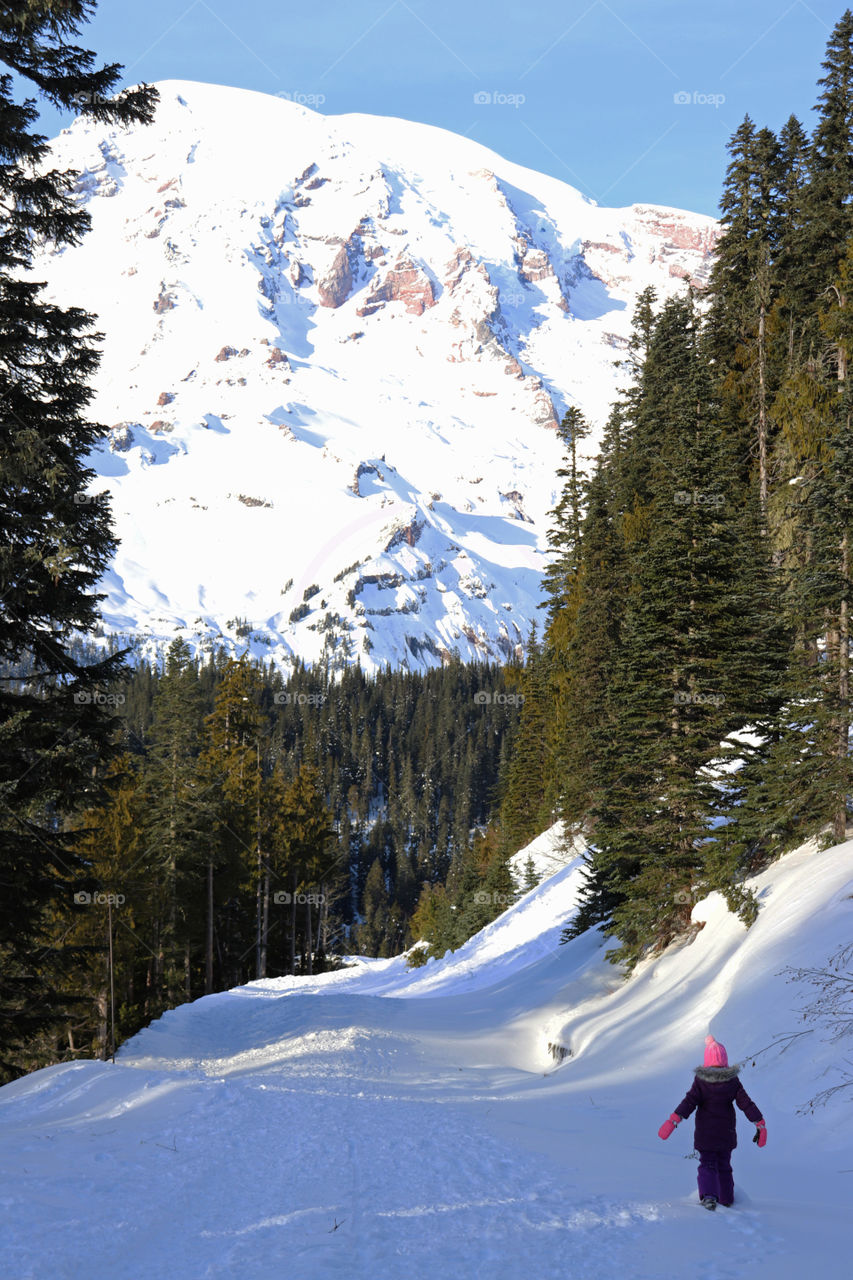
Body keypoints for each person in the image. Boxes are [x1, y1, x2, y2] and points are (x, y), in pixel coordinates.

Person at [657, 1034, 766, 1210]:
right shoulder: (732, 1081)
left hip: (705, 1134)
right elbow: (746, 1103)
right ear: (725, 1060)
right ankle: (726, 1198)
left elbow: (689, 1102)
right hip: (726, 1134)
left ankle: (709, 1196)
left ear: (707, 1061)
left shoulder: (701, 1082)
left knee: (707, 1164)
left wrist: (674, 1119)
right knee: (724, 1165)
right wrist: (759, 1122)